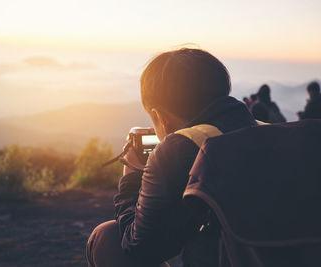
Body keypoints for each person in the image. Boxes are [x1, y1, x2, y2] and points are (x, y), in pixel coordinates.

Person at [86, 48, 257, 267]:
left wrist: (131, 178)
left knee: (107, 237)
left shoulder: (179, 149)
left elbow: (139, 247)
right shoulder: (265, 129)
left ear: (160, 117)